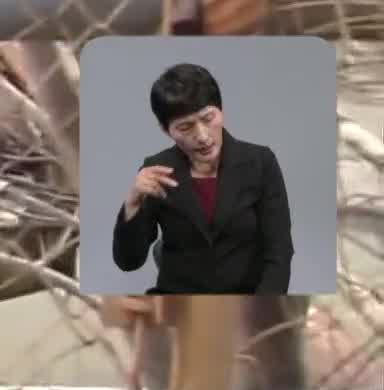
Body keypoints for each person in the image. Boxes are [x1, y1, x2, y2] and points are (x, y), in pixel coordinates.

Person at [112, 62, 293, 294]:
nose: (202, 136)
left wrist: (262, 309)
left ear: (221, 110)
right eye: (185, 127)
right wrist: (132, 204)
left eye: (208, 118)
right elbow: (129, 262)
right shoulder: (157, 170)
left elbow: (279, 252)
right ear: (166, 130)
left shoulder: (260, 162)